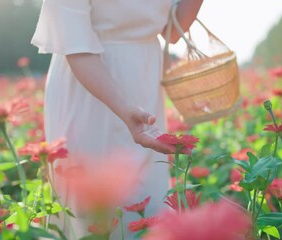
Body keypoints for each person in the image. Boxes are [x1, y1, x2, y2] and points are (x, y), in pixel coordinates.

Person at [31, 0, 203, 239]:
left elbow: (172, 31)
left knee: (148, 204)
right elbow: (74, 43)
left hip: (144, 82)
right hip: (89, 85)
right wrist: (123, 107)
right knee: (93, 208)